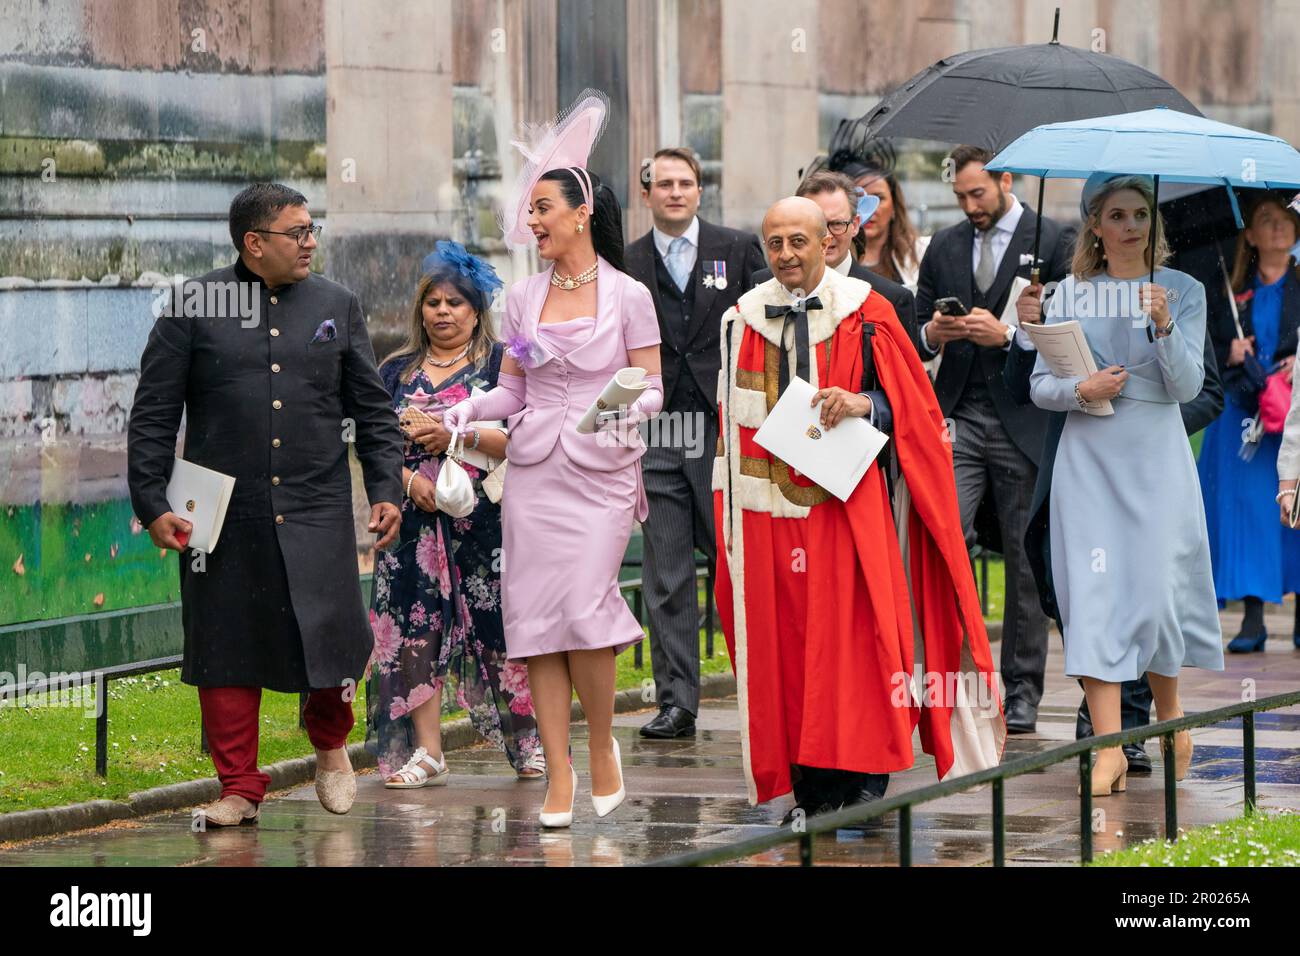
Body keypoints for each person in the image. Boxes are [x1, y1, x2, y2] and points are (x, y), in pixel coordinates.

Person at [713, 196, 1004, 822]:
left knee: (850, 646)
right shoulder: (742, 319)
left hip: (848, 508)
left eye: (799, 241)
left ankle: (855, 776)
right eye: (775, 243)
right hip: (769, 513)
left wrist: (866, 403)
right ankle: (808, 789)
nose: (787, 255)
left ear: (828, 243)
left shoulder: (868, 313)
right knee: (786, 653)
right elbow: (727, 432)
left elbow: (915, 409)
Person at [127, 183, 404, 826]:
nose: (311, 242)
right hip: (222, 511)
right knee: (227, 644)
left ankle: (331, 745)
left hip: (317, 504)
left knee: (333, 637)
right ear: (254, 243)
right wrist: (150, 501)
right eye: (297, 232)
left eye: (313, 229)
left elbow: (372, 411)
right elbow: (153, 415)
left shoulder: (338, 303)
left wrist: (387, 488)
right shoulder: (192, 305)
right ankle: (238, 788)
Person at [443, 91, 663, 828]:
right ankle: (557, 770)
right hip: (535, 473)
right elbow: (512, 390)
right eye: (528, 209)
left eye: (542, 208)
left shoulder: (630, 294)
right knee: (537, 619)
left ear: (580, 212)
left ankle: (603, 746)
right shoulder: (522, 299)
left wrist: (625, 411)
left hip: (601, 473)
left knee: (586, 607)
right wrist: (470, 409)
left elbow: (653, 385)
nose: (530, 221)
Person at [1028, 173, 1224, 796]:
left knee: (1156, 593)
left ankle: (1172, 722)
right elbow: (1039, 385)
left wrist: (1164, 325)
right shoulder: (1068, 294)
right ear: (1095, 224)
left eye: (1141, 214)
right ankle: (1109, 745)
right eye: (1117, 215)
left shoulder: (1182, 289)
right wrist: (1080, 390)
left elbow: (1190, 387)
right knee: (1093, 596)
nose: (1131, 226)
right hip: (1088, 458)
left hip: (1155, 457)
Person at [367, 242, 545, 788]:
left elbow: (524, 437)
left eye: (456, 303)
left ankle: (530, 746)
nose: (443, 312)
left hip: (486, 519)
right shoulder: (395, 369)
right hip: (413, 524)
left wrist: (453, 434)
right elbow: (374, 444)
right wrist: (409, 482)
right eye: (433, 303)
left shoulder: (501, 364)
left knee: (499, 632)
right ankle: (427, 751)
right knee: (414, 629)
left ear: (476, 310)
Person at [915, 144, 1074, 735]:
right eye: (960, 196)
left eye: (977, 193)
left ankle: (1023, 690)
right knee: (944, 541)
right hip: (957, 416)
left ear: (1006, 180)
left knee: (1024, 558)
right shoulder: (944, 244)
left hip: (1021, 415)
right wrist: (936, 331)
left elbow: (1063, 329)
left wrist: (1007, 335)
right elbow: (916, 331)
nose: (969, 205)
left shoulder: (1053, 238)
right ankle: (952, 677)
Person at [624, 147, 765, 740]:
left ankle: (761, 687)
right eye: (663, 183)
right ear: (647, 193)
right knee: (665, 573)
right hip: (656, 428)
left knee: (738, 562)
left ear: (700, 191)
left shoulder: (737, 249)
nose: (675, 192)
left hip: (718, 426)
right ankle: (676, 701)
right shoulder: (625, 262)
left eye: (685, 183)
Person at [1197, 195, 1300, 652]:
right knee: (1251, 515)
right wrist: (1229, 353)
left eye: (1285, 220)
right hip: (1244, 417)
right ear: (1250, 236)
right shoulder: (1227, 288)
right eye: (1265, 220)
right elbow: (1201, 350)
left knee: (1293, 508)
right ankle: (1253, 616)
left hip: (1291, 413)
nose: (1277, 227)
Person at [753, 169, 920, 355]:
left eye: (837, 224)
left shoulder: (891, 299)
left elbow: (902, 381)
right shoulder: (760, 286)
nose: (827, 236)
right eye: (817, 225)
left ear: (855, 225)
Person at [840, 142, 931, 291]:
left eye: (878, 198)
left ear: (894, 206)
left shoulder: (922, 254)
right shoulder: (830, 257)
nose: (870, 209)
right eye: (859, 198)